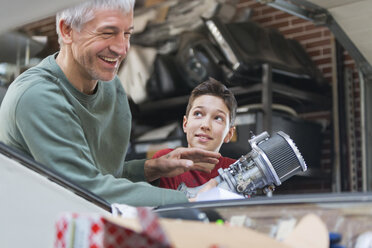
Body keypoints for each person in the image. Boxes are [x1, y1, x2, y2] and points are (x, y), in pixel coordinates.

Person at [0, 0, 222, 207]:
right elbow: (84, 189)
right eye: (108, 33)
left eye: (127, 34)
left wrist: (152, 168)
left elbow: (103, 177)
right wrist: (189, 199)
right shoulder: (38, 96)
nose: (122, 48)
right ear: (67, 30)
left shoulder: (111, 87)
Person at [153, 78, 237, 190]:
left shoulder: (238, 171)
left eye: (218, 118)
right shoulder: (167, 160)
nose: (205, 125)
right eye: (198, 114)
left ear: (229, 134)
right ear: (185, 124)